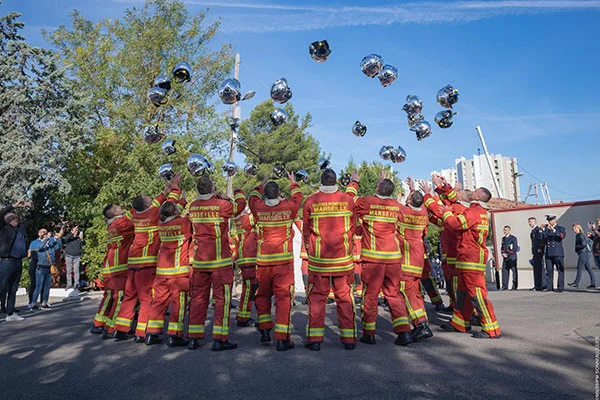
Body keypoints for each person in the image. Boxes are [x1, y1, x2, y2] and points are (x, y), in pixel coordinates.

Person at [346, 171, 413, 346]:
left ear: (377, 187)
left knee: (370, 295)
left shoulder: (367, 202)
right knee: (394, 295)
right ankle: (404, 332)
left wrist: (354, 182)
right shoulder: (397, 206)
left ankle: (369, 333)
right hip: (393, 258)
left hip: (373, 259)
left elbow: (348, 200)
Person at [113, 177, 181, 342]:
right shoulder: (153, 213)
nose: (151, 200)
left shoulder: (133, 214)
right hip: (147, 263)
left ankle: (120, 329)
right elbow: (169, 205)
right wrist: (175, 188)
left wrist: (165, 190)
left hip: (132, 262)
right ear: (146, 205)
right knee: (146, 299)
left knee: (129, 296)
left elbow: (157, 201)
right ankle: (141, 333)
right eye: (148, 200)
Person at [186, 176, 246, 351]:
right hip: (220, 262)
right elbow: (239, 206)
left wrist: (217, 196)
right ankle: (220, 338)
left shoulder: (193, 206)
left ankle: (194, 338)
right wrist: (238, 193)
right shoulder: (222, 206)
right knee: (222, 301)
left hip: (199, 262)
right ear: (212, 189)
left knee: (198, 299)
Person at [437, 185, 501, 339]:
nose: (473, 191)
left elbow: (455, 225)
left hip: (471, 257)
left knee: (476, 293)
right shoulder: (478, 211)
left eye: (476, 190)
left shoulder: (474, 212)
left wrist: (446, 213)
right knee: (463, 292)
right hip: (467, 256)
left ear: (479, 196)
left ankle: (491, 327)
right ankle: (460, 323)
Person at [303, 169, 357, 351]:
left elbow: (306, 231)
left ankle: (315, 340)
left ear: (321, 181)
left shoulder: (311, 201)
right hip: (342, 259)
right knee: (345, 298)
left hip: (319, 261)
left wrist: (311, 249)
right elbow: (353, 227)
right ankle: (349, 340)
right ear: (336, 181)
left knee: (317, 298)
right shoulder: (347, 200)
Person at [249, 171, 302, 351]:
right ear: (279, 193)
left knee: (262, 296)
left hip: (263, 263)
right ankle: (282, 339)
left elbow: (252, 197)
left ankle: (264, 331)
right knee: (283, 299)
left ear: (265, 193)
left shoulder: (258, 207)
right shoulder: (288, 207)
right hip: (283, 264)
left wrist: (260, 183)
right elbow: (298, 197)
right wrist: (293, 182)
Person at [145, 195, 191, 347]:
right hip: (178, 273)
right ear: (175, 213)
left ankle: (152, 333)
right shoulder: (183, 222)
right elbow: (189, 218)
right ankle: (175, 336)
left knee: (158, 302)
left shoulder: (160, 224)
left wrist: (179, 201)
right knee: (178, 304)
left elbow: (171, 212)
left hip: (162, 272)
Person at [396, 179, 433, 343]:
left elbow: (394, 208)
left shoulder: (402, 211)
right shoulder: (423, 213)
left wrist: (398, 199)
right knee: (415, 293)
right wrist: (416, 190)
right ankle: (422, 322)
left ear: (409, 200)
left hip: (406, 260)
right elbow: (421, 203)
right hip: (418, 259)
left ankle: (421, 325)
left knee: (408, 293)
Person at [90, 203, 135, 337]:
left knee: (110, 296)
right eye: (117, 207)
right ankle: (111, 327)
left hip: (111, 266)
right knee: (119, 297)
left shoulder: (113, 225)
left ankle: (99, 323)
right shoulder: (121, 224)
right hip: (119, 267)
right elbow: (137, 214)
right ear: (114, 213)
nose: (120, 206)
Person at [0, 200, 33, 321]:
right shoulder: (3, 228)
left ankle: (10, 314)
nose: (16, 219)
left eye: (16, 218)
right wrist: (13, 206)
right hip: (6, 261)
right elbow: (1, 213)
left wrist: (31, 208)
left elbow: (32, 220)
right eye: (13, 218)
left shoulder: (20, 228)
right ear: (7, 220)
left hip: (18, 261)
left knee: (13, 288)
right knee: (1, 287)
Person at [233, 207, 258, 327]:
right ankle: (243, 318)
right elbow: (259, 213)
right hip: (249, 259)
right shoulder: (245, 219)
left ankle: (244, 315)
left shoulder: (239, 219)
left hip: (246, 259)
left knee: (250, 288)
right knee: (249, 289)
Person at [30, 227, 63, 309]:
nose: (44, 233)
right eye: (42, 232)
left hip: (49, 267)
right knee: (38, 286)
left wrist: (57, 238)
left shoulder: (50, 243)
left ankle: (44, 302)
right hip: (40, 267)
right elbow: (40, 248)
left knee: (47, 287)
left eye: (45, 232)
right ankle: (33, 303)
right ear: (38, 234)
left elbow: (58, 247)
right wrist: (46, 240)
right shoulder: (35, 242)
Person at [544, 215, 567, 292]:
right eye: (548, 221)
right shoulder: (547, 229)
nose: (549, 222)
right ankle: (549, 286)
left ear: (555, 220)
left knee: (560, 270)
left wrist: (554, 230)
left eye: (551, 220)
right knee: (549, 270)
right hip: (549, 252)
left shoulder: (561, 228)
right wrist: (542, 230)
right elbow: (544, 238)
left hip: (557, 252)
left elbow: (562, 236)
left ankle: (560, 287)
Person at [568, 224, 596, 288]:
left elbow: (583, 244)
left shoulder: (579, 235)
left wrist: (576, 247)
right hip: (586, 253)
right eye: (573, 228)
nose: (573, 229)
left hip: (583, 253)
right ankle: (593, 283)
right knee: (588, 268)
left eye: (575, 228)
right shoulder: (580, 235)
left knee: (579, 267)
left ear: (578, 228)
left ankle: (576, 282)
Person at [528, 217, 546, 291]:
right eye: (529, 222)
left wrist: (540, 248)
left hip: (539, 252)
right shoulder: (532, 231)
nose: (529, 223)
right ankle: (537, 285)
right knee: (536, 269)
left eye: (531, 221)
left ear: (535, 221)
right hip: (535, 252)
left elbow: (542, 240)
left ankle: (543, 285)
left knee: (540, 269)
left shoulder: (538, 230)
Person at [500, 225, 519, 290]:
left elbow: (514, 248)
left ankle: (514, 286)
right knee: (504, 271)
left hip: (512, 257)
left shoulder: (513, 238)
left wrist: (507, 254)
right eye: (504, 230)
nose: (505, 231)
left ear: (509, 230)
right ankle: (504, 286)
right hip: (505, 258)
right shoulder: (503, 238)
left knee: (514, 271)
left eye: (506, 230)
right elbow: (502, 247)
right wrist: (503, 253)